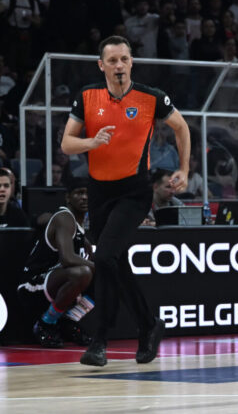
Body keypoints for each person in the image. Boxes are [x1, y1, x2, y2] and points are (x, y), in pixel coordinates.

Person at [61, 35, 191, 366]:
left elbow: (181, 128)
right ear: (101, 65)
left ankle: (100, 340)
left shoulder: (151, 97)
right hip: (99, 192)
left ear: (132, 62)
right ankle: (148, 325)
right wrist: (91, 142)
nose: (119, 65)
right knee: (114, 261)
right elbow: (66, 143)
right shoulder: (87, 96)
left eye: (124, 59)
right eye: (112, 60)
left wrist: (184, 169)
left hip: (134, 191)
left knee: (105, 257)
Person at [17, 177, 94, 347]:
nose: (84, 197)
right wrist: (98, 267)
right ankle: (46, 323)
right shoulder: (64, 218)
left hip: (53, 285)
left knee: (108, 276)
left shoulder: (80, 230)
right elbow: (67, 259)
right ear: (68, 197)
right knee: (82, 272)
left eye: (88, 193)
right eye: (79, 193)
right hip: (32, 285)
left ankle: (69, 321)